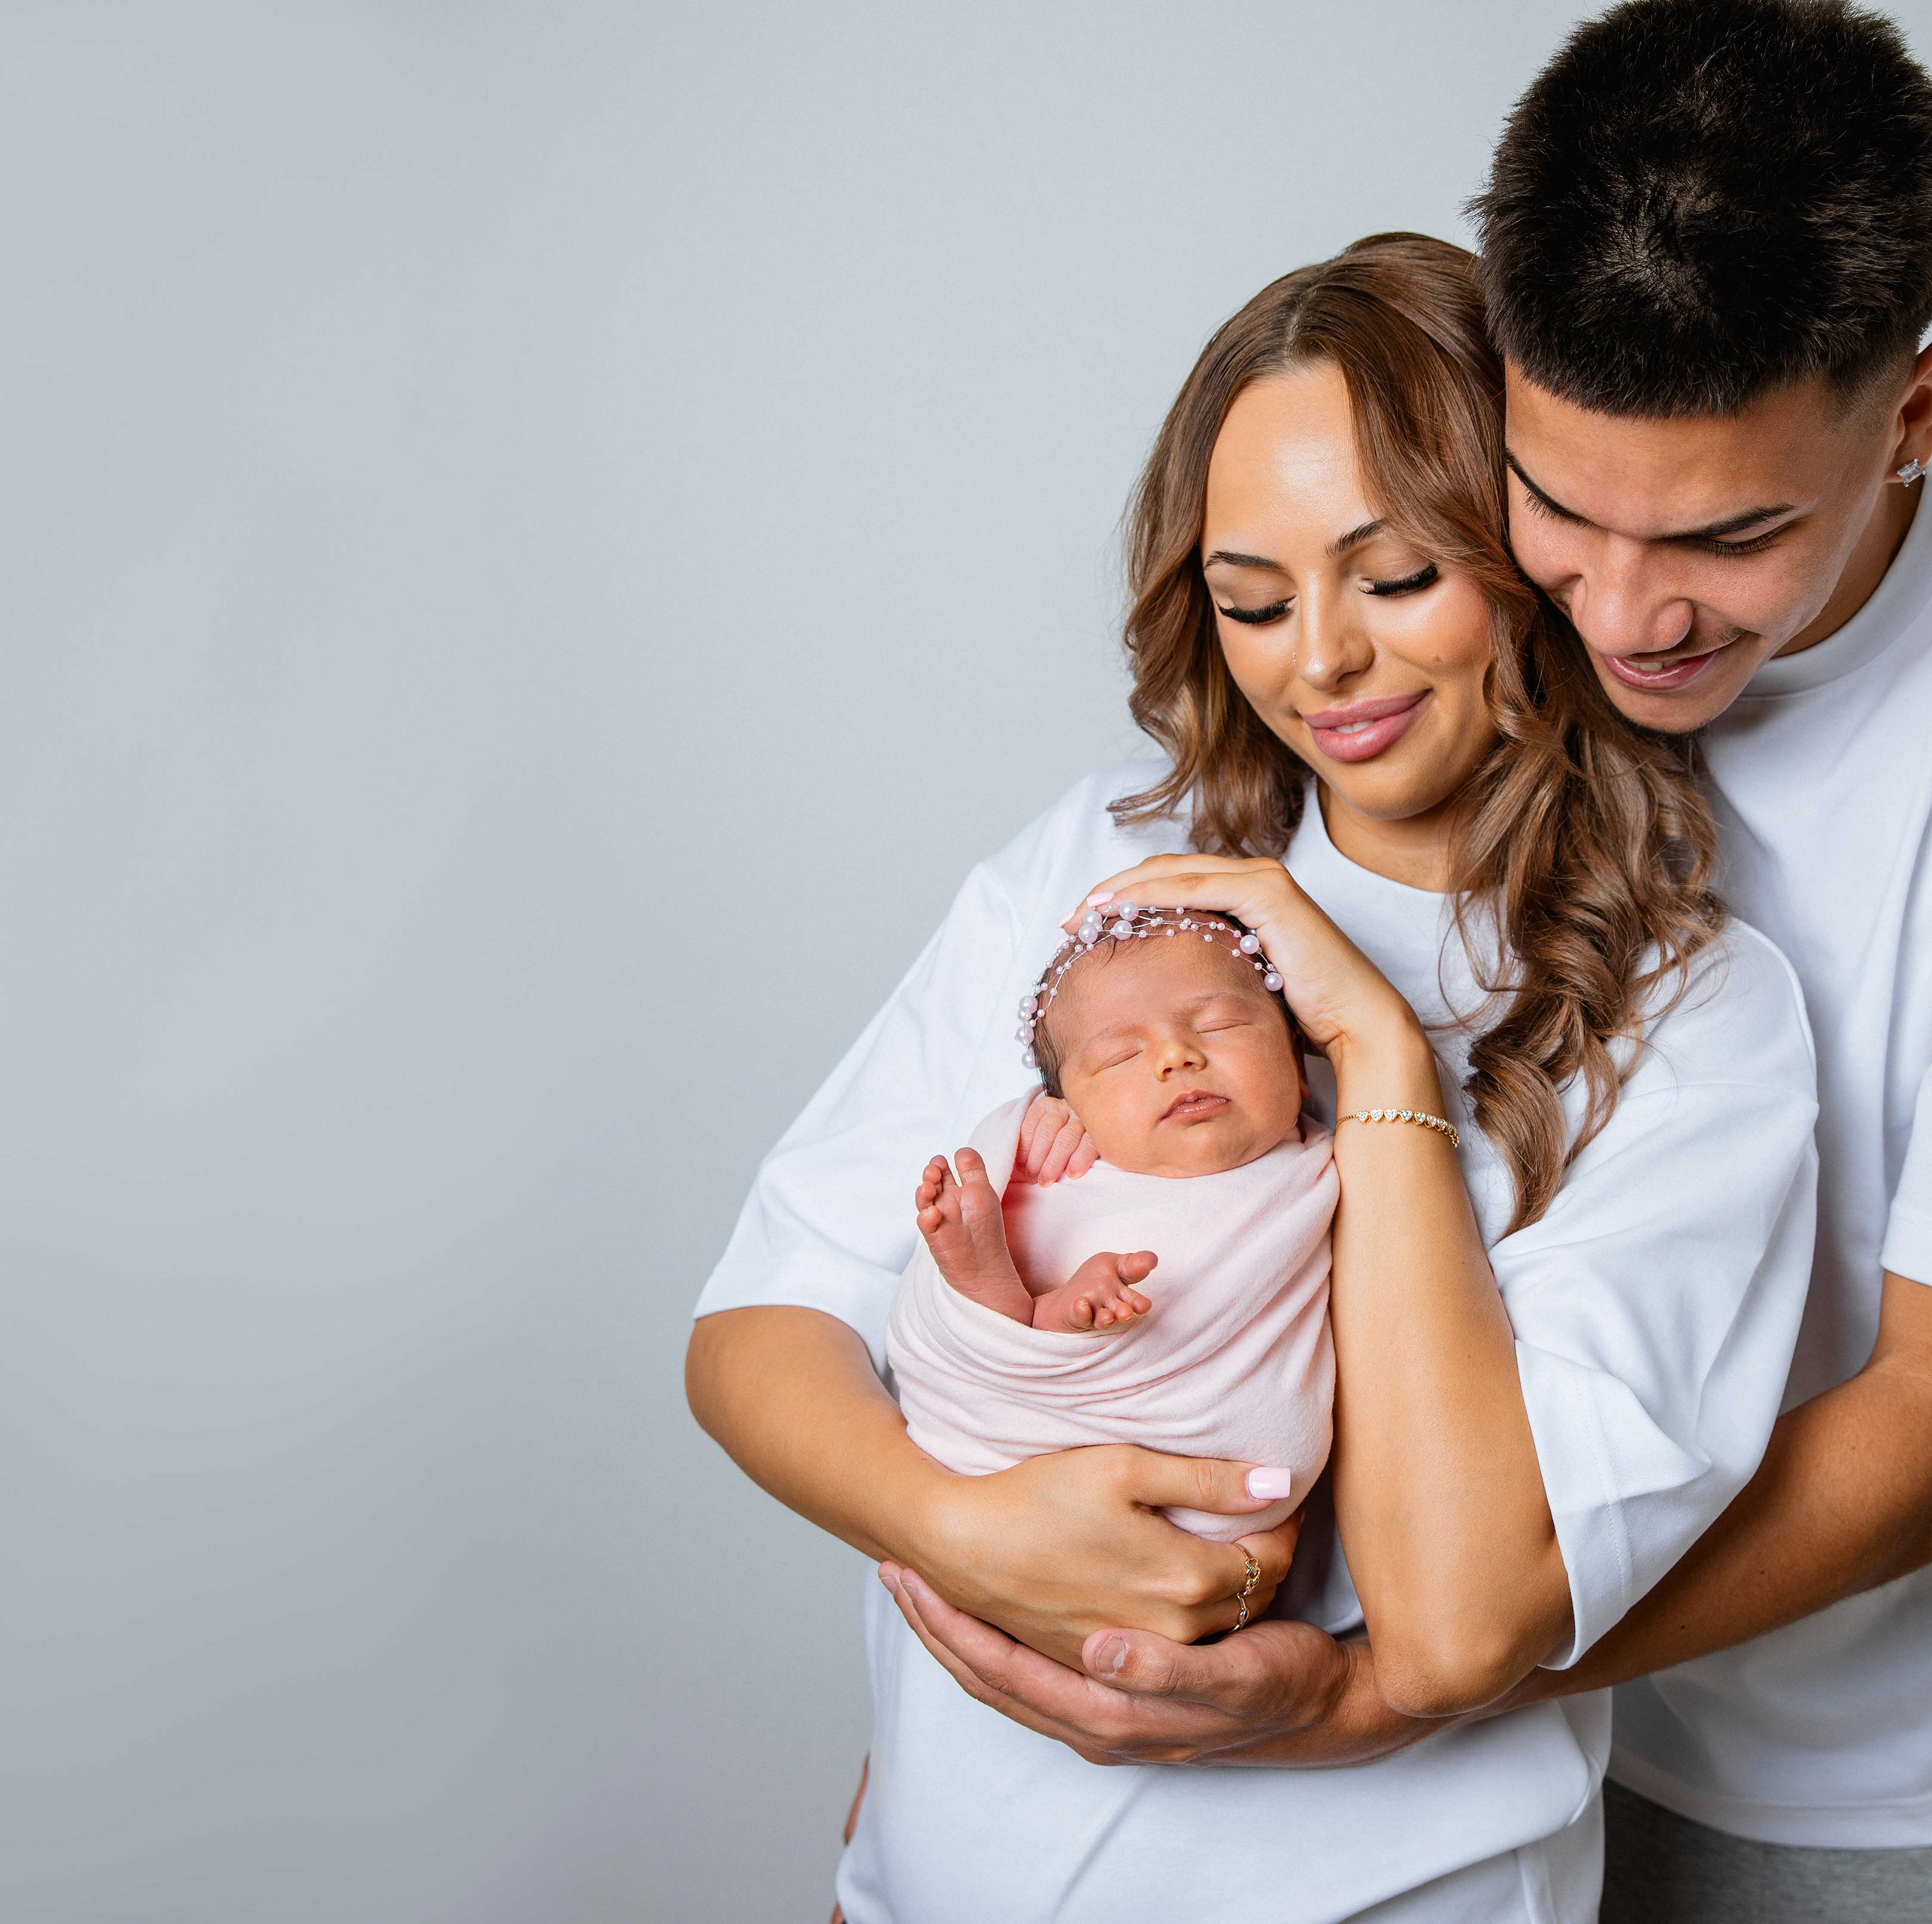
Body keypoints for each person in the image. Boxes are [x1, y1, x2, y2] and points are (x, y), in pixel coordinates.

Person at [895, 6, 1932, 1920]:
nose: (1632, 617)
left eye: (1730, 537)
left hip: (1908, 1772)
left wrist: (1408, 1674)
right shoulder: (1445, 665)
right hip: (1469, 1801)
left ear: (1916, 405)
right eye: (1557, 510)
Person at [685, 233, 1821, 1921]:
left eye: (1395, 573)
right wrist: (954, 1521)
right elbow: (756, 1337)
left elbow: (1449, 1623)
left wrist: (1368, 1046)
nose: (1324, 664)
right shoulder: (1104, 869)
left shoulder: (1691, 1013)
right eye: (1255, 598)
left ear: (1525, 547)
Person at [885, 906, 1335, 1544]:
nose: (1177, 1056)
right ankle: (1010, 1304)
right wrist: (1034, 1123)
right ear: (1068, 1103)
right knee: (1008, 1235)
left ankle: (1052, 1317)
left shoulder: (1322, 1167)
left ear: (1298, 1058)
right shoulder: (1060, 1164)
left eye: (1221, 1024)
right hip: (1005, 1453)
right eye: (1121, 1057)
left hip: (1213, 1462)